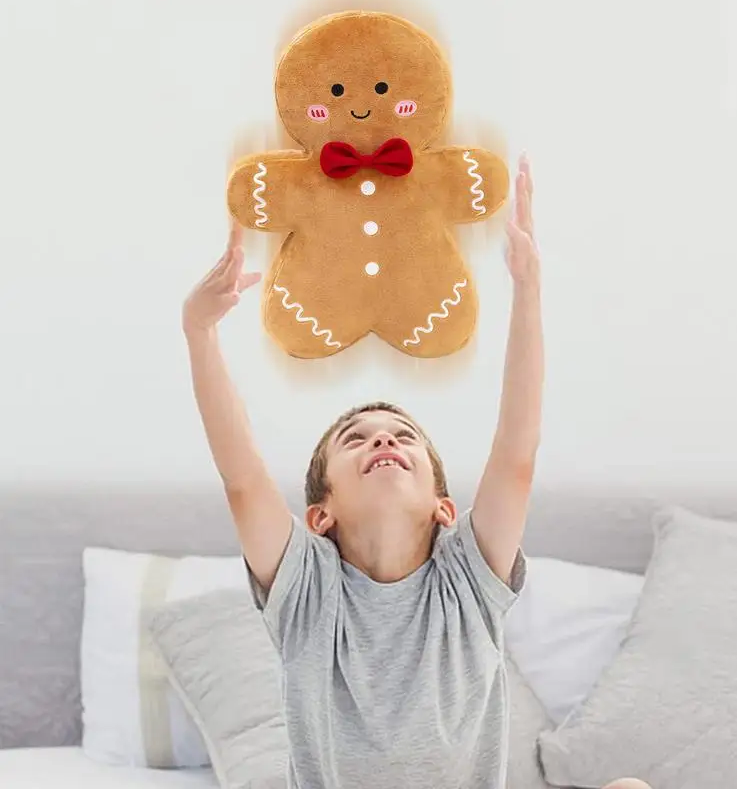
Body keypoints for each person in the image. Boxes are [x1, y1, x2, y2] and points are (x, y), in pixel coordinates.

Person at [182, 155, 647, 789]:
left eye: (405, 437)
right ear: (320, 514)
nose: (384, 440)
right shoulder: (307, 593)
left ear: (444, 507)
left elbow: (517, 454)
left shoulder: (467, 582)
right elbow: (241, 478)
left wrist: (528, 287)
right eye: (358, 439)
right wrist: (199, 332)